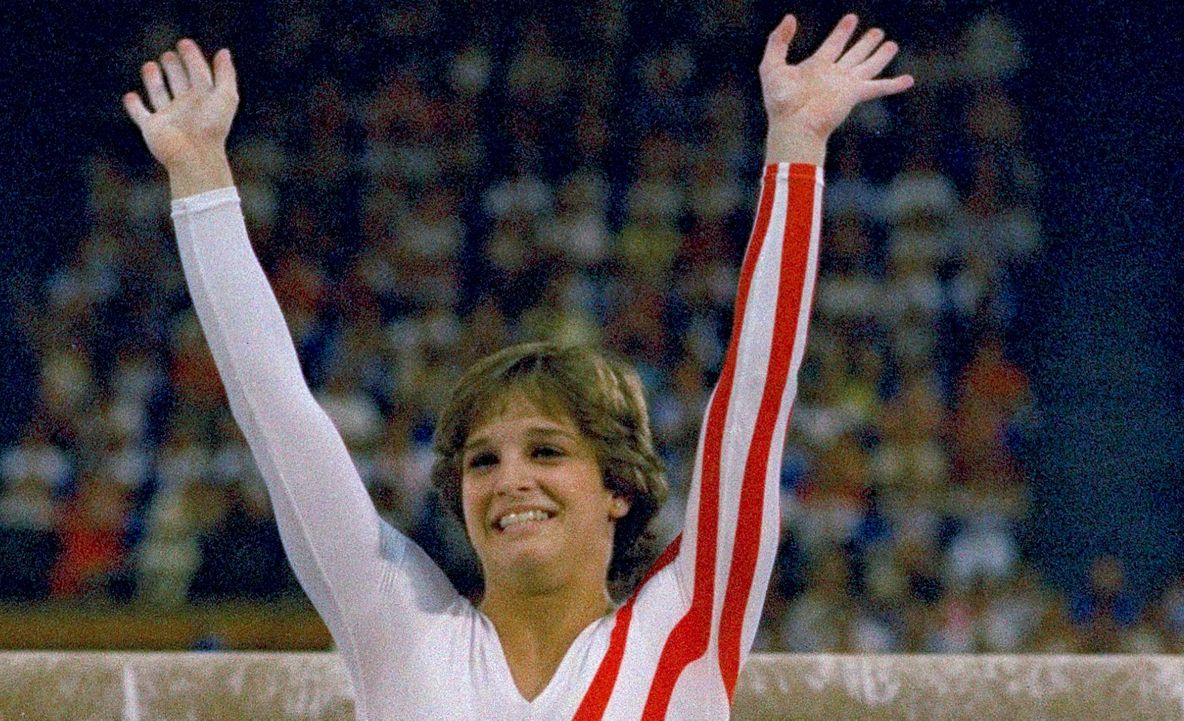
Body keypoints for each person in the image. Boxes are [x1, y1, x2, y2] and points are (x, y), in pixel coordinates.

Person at [123, 12, 912, 720]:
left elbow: (756, 399)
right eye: (482, 460)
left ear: (619, 487)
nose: (510, 480)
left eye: (547, 449)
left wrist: (797, 147)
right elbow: (277, 413)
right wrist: (200, 177)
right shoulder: (396, 629)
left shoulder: (688, 625)